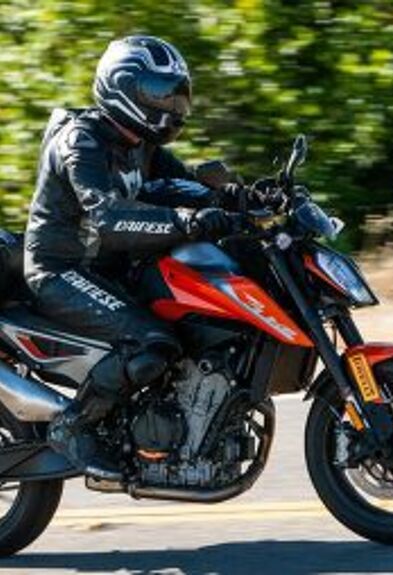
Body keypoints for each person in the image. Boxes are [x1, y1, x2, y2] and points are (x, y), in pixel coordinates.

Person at [24, 35, 269, 480]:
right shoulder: (81, 142)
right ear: (123, 90)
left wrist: (244, 197)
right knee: (151, 342)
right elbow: (108, 217)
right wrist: (189, 222)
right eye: (161, 95)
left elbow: (189, 186)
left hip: (111, 266)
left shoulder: (139, 142)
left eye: (177, 95)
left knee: (194, 323)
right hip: (61, 270)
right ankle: (72, 426)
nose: (173, 106)